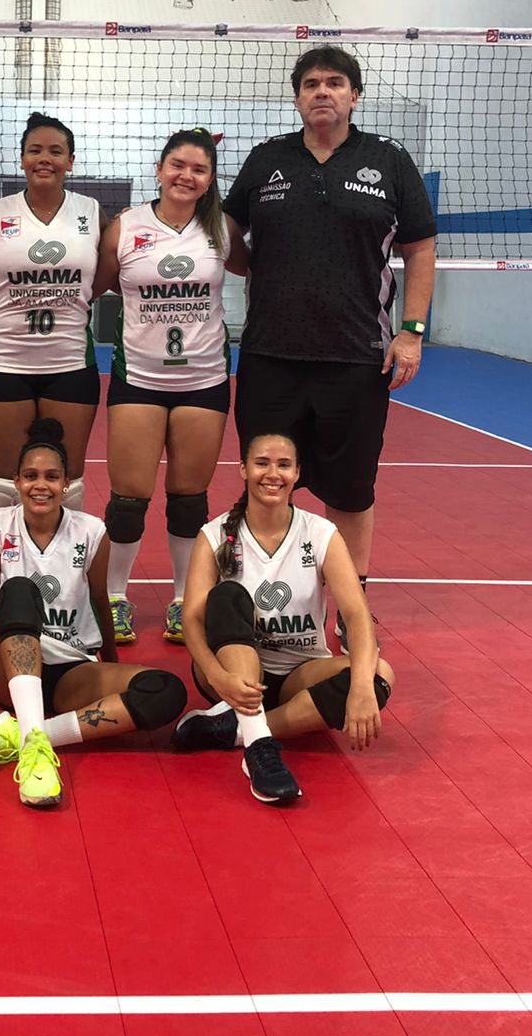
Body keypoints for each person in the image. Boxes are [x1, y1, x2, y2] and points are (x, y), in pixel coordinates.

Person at [223, 46, 436, 640]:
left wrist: (411, 332)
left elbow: (420, 248)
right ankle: (261, 596)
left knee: (351, 490)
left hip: (356, 357)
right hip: (270, 354)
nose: (323, 91)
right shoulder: (267, 158)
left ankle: (349, 607)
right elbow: (229, 234)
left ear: (354, 96)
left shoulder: (389, 160)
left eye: (335, 83)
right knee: (266, 481)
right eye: (311, 83)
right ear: (297, 98)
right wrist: (254, 263)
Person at [0, 418, 186, 809]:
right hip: (8, 662)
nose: (40, 485)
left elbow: (99, 601)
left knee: (165, 691)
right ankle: (36, 752)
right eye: (30, 476)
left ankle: (25, 735)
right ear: (16, 481)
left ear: (67, 484)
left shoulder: (91, 531)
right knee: (17, 590)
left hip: (70, 667)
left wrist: (111, 664)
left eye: (51, 477)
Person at [172, 430, 394, 805]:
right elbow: (191, 620)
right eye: (262, 463)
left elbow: (357, 615)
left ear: (297, 473)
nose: (273, 474)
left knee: (380, 675)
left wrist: (360, 688)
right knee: (227, 596)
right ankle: (259, 752)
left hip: (299, 672)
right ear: (243, 469)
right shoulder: (214, 535)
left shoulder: (320, 533)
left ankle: (240, 730)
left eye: (284, 465)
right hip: (231, 673)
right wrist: (216, 675)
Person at [93, 128, 245, 648]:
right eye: (177, 165)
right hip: (139, 378)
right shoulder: (125, 226)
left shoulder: (221, 228)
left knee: (188, 500)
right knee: (128, 500)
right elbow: (96, 284)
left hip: (203, 380)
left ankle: (185, 599)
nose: (186, 176)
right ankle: (114, 597)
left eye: (199, 169)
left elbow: (262, 270)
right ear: (158, 170)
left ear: (210, 179)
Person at [0, 112, 104, 515]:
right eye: (35, 150)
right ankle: (7, 559)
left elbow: (100, 280)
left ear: (70, 161)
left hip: (69, 364)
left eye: (55, 151)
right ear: (22, 158)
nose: (45, 159)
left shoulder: (91, 212)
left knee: (68, 483)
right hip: (4, 363)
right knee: (4, 485)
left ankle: (65, 558)